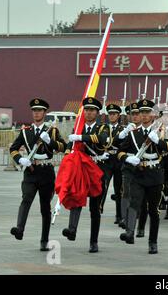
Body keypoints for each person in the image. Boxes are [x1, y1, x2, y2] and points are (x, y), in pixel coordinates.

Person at [117, 99, 168, 254]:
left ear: (153, 114)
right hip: (138, 173)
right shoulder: (133, 134)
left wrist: (159, 142)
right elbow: (119, 151)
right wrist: (127, 158)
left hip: (155, 174)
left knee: (153, 210)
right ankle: (130, 232)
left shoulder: (160, 131)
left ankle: (152, 242)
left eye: (147, 112)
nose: (143, 115)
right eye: (141, 112)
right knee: (134, 202)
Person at [9, 98, 66, 251]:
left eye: (39, 110)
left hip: (46, 171)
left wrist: (50, 142)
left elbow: (62, 146)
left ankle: (44, 240)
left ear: (44, 112)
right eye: (34, 111)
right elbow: (14, 148)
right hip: (31, 170)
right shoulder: (25, 131)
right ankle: (19, 229)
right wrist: (20, 159)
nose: (36, 113)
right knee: (26, 198)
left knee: (44, 207)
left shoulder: (51, 130)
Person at [62, 97, 110, 253]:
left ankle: (93, 241)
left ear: (97, 112)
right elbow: (70, 147)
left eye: (92, 110)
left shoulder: (103, 127)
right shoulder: (77, 128)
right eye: (87, 110)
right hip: (81, 169)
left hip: (96, 169)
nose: (89, 113)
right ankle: (72, 230)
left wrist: (81, 137)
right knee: (76, 197)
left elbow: (101, 139)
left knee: (95, 209)